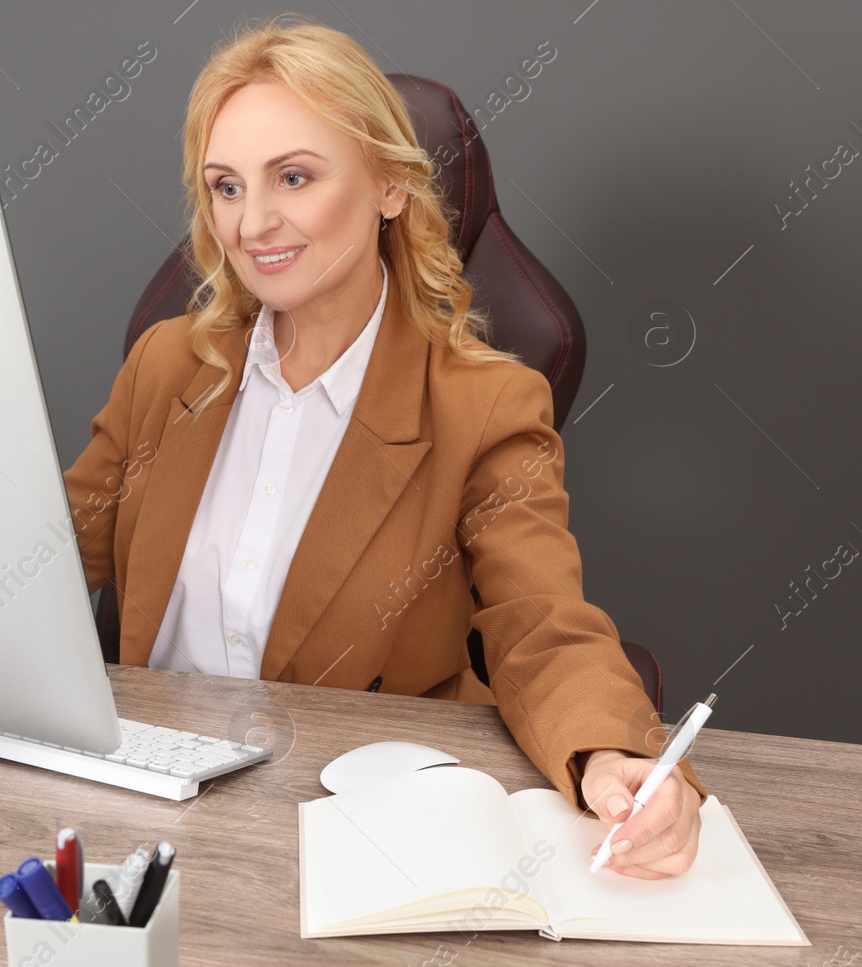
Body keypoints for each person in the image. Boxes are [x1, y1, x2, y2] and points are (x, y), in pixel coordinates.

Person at [63, 17, 703, 879]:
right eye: (225, 187)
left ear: (391, 186)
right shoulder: (168, 364)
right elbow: (48, 560)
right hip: (140, 807)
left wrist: (606, 754)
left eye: (293, 177)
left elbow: (541, 626)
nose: (253, 223)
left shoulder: (484, 404)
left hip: (353, 826)